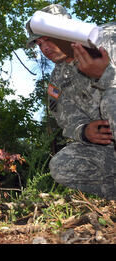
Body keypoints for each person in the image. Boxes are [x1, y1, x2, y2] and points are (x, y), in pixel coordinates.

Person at [26, 4, 115, 199]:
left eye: (48, 39)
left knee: (112, 101)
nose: (45, 48)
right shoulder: (58, 80)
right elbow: (68, 119)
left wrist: (105, 75)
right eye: (39, 43)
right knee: (61, 165)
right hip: (109, 147)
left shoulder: (108, 39)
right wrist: (84, 131)